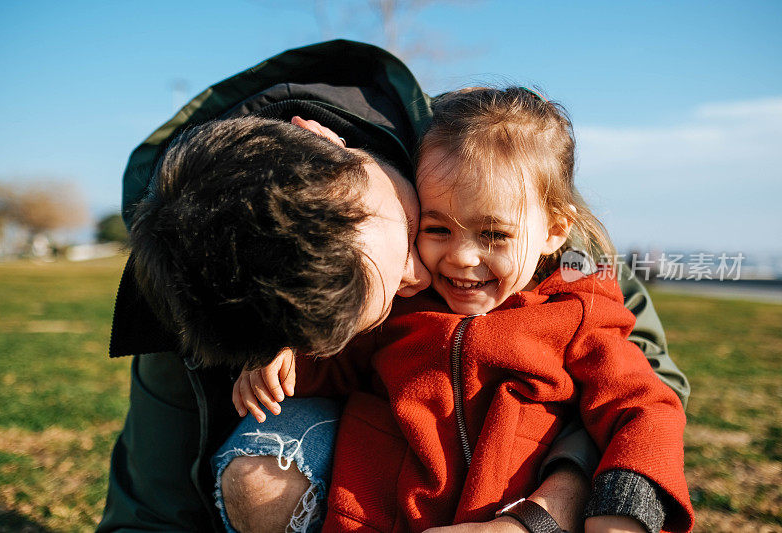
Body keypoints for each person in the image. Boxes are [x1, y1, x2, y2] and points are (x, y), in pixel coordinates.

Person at [99, 41, 689, 532]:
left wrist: (555, 512)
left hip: (515, 479)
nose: (430, 271)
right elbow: (151, 500)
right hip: (378, 483)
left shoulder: (492, 169)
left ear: (325, 140)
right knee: (262, 470)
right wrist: (283, 361)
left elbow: (646, 383)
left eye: (409, 234)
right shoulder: (187, 298)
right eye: (432, 232)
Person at [234, 88, 693, 532]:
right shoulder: (401, 306)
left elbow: (643, 404)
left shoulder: (577, 311)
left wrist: (626, 504)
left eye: (494, 235)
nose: (462, 258)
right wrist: (286, 357)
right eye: (438, 229)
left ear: (555, 231)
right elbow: (338, 361)